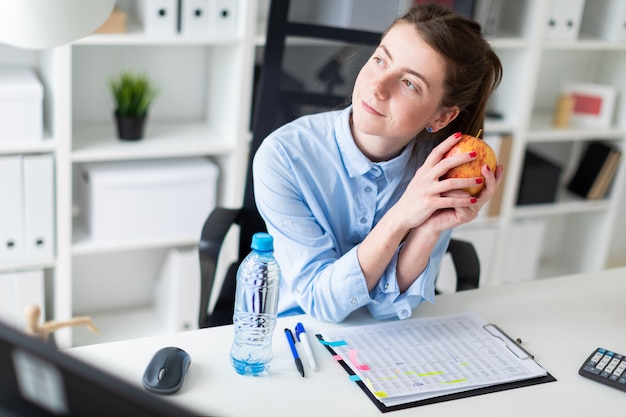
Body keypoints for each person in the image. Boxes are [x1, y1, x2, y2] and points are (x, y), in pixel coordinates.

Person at [253, 3, 504, 322]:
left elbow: (388, 309)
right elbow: (320, 304)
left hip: (388, 344)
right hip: (297, 333)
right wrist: (402, 215)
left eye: (409, 83)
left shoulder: (440, 170)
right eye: (380, 60)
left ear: (442, 117)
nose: (377, 86)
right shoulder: (283, 156)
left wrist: (429, 228)